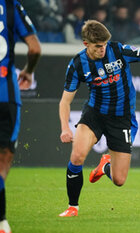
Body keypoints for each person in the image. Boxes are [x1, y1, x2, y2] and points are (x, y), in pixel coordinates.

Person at [58, 20, 140, 217]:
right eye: (98, 46)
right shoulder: (77, 64)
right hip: (95, 114)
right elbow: (65, 101)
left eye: (104, 45)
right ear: (86, 44)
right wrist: (65, 128)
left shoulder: (118, 50)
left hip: (122, 118)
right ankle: (72, 207)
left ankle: (105, 166)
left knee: (119, 180)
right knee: (77, 156)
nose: (103, 49)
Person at [0, 0, 41, 231]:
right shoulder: (10, 6)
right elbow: (34, 48)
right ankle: (1, 220)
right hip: (5, 93)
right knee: (3, 159)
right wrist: (29, 71)